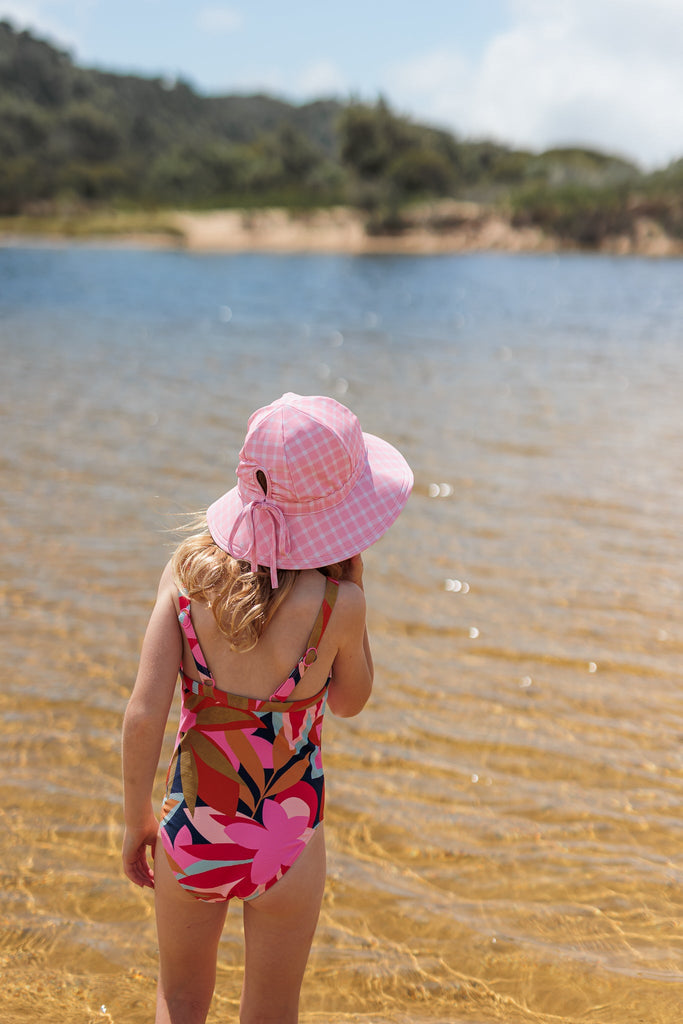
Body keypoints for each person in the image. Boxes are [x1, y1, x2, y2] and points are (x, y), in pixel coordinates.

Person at [121, 392, 413, 1024]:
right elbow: (351, 701)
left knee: (179, 999)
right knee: (274, 1010)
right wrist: (353, 593)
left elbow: (144, 712)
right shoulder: (338, 604)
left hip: (193, 828)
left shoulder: (187, 573)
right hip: (288, 838)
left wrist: (134, 818)